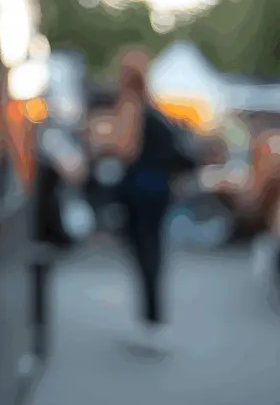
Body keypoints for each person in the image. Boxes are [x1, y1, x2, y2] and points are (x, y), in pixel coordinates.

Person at [92, 49, 192, 352]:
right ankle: (153, 321)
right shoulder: (152, 107)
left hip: (139, 189)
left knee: (145, 253)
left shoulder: (131, 105)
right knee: (153, 253)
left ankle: (150, 322)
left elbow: (126, 149)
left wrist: (101, 140)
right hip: (158, 189)